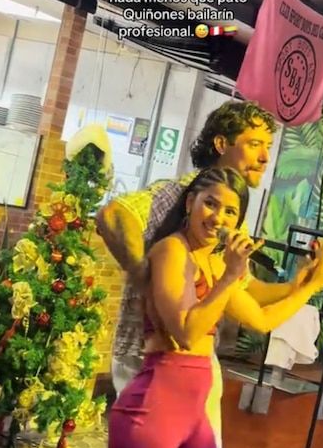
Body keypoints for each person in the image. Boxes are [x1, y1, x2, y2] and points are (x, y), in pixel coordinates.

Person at [106, 167, 323, 448]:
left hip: (195, 413)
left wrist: (308, 287)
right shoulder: (171, 251)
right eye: (210, 204)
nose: (218, 218)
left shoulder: (216, 264)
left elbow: (262, 320)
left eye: (230, 211)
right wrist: (230, 276)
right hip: (153, 410)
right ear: (190, 203)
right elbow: (186, 334)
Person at [99, 101, 300, 393]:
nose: (265, 157)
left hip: (195, 358)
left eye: (268, 146)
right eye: (255, 144)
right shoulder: (180, 193)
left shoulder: (233, 219)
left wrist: (300, 286)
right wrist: (145, 279)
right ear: (221, 144)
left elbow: (243, 290)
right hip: (148, 356)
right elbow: (114, 215)